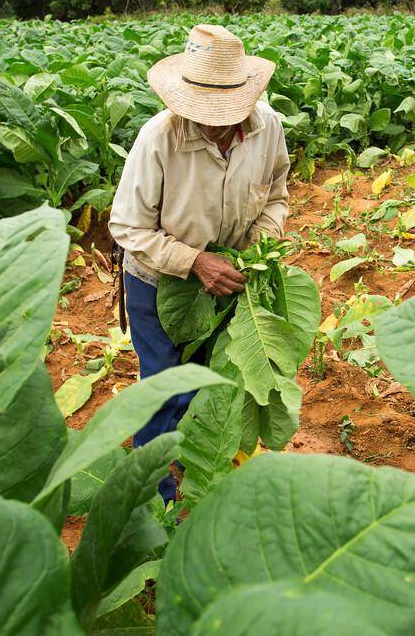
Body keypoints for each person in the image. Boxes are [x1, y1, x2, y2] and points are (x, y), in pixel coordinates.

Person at [108, 25, 290, 502]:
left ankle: (211, 483)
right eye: (204, 113)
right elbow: (127, 229)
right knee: (166, 391)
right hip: (159, 280)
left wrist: (260, 244)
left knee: (219, 388)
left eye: (225, 113)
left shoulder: (267, 126)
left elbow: (276, 194)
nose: (214, 123)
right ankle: (156, 501)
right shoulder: (158, 139)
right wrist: (194, 262)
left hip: (231, 278)